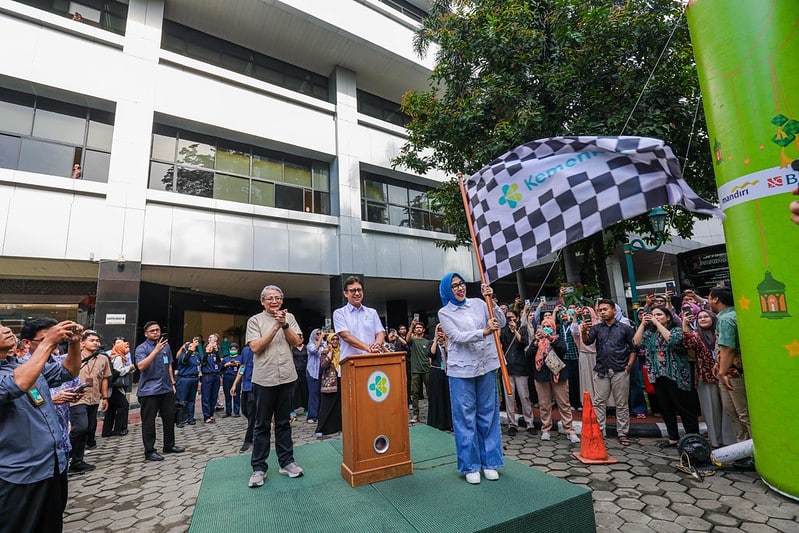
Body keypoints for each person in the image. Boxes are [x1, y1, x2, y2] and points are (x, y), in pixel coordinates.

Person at [0, 320, 82, 532]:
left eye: (3, 324)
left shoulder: (19, 365)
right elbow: (18, 384)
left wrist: (74, 343)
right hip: (19, 473)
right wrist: (48, 343)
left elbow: (69, 372)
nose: (6, 329)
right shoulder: (22, 371)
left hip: (53, 465)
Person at [437, 272, 505, 485]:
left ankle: (490, 462)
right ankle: (470, 465)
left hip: (485, 365)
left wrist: (491, 299)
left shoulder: (479, 303)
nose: (460, 288)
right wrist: (483, 332)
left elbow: (500, 321)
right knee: (465, 417)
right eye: (455, 285)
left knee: (488, 413)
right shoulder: (444, 312)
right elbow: (456, 336)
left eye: (462, 284)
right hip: (461, 370)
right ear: (448, 290)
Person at [245, 285, 304, 488]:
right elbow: (256, 347)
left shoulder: (290, 317)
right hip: (264, 379)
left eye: (278, 298)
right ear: (262, 301)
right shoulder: (255, 320)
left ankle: (286, 462)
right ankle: (259, 468)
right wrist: (275, 326)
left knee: (283, 422)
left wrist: (285, 325)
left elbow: (297, 342)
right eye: (269, 298)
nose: (274, 301)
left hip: (287, 376)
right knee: (261, 424)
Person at [634, 306, 699, 447]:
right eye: (653, 315)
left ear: (668, 317)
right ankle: (673, 437)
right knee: (666, 407)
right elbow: (636, 343)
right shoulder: (649, 333)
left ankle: (692, 438)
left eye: (659, 315)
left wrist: (657, 324)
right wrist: (642, 324)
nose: (656, 317)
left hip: (677, 374)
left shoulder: (676, 329)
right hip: (658, 375)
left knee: (684, 407)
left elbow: (673, 341)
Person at [581, 298, 636, 446]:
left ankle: (623, 433)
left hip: (620, 369)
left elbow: (633, 348)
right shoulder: (596, 328)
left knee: (622, 403)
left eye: (605, 309)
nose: (602, 312)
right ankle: (600, 432)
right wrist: (584, 331)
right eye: (600, 310)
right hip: (601, 369)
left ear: (614, 310)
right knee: (599, 402)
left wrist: (629, 365)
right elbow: (587, 342)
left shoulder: (625, 328)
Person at [681, 308, 735, 448]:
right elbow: (687, 343)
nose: (703, 319)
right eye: (700, 317)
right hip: (705, 377)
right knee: (711, 410)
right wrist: (685, 324)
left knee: (728, 409)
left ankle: (730, 440)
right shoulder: (696, 335)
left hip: (725, 375)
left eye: (706, 316)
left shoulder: (721, 332)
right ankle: (715, 441)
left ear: (713, 318)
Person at [135, 321, 184, 461]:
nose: (156, 333)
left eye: (157, 330)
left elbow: (168, 364)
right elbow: (141, 366)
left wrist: (172, 382)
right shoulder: (142, 348)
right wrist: (155, 350)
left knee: (169, 418)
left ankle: (169, 445)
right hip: (149, 391)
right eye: (152, 331)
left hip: (166, 388)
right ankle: (149, 451)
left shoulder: (165, 346)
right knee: (149, 422)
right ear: (146, 333)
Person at [709, 285, 751, 442]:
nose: (708, 301)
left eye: (709, 298)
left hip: (733, 374)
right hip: (728, 372)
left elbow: (728, 349)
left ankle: (756, 451)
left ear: (716, 299)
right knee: (733, 412)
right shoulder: (730, 316)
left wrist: (722, 372)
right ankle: (744, 449)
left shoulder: (726, 319)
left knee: (743, 414)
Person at [531, 318, 580, 443]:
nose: (546, 327)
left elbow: (563, 350)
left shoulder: (558, 338)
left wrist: (550, 339)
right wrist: (536, 342)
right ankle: (546, 429)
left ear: (553, 327)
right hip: (542, 376)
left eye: (549, 325)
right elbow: (528, 356)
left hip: (559, 375)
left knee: (564, 403)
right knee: (544, 404)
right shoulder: (536, 341)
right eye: (544, 325)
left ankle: (569, 430)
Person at [68, 330, 111, 473]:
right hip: (77, 398)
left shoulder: (103, 359)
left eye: (97, 340)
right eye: (92, 340)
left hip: (94, 398)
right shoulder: (74, 356)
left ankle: (77, 461)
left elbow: (104, 378)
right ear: (82, 343)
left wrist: (105, 397)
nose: (96, 343)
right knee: (80, 427)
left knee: (88, 429)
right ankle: (65, 453)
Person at [333, 276, 386, 361]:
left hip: (372, 360)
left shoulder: (372, 312)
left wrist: (377, 345)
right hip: (350, 363)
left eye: (359, 290)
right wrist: (367, 348)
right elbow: (346, 336)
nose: (357, 293)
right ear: (345, 293)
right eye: (353, 290)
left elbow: (380, 332)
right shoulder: (339, 313)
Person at [499, 310, 534, 437]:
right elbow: (498, 343)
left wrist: (515, 331)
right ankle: (512, 424)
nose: (510, 321)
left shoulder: (522, 329)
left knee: (524, 396)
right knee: (509, 398)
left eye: (512, 318)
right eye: (508, 318)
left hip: (521, 368)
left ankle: (529, 423)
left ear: (517, 318)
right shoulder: (503, 331)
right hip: (507, 369)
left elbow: (524, 342)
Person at [102, 337, 133, 437]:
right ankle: (118, 429)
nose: (127, 349)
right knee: (123, 405)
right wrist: (129, 368)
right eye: (125, 347)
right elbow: (118, 371)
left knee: (111, 409)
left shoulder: (118, 356)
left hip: (114, 386)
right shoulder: (119, 357)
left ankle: (107, 431)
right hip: (115, 386)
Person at [315, 332, 342, 438]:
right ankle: (321, 429)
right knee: (326, 406)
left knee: (338, 405)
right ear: (329, 341)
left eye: (337, 339)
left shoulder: (342, 351)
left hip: (340, 381)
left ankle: (336, 427)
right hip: (329, 383)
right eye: (333, 339)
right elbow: (323, 365)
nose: (335, 341)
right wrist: (330, 353)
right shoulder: (325, 351)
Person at [427, 324, 452, 431]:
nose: (440, 333)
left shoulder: (448, 342)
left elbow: (449, 352)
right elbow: (431, 354)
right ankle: (438, 423)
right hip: (436, 371)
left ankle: (449, 422)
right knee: (437, 397)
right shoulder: (431, 343)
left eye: (443, 331)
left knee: (448, 396)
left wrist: (446, 340)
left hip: (447, 371)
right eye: (439, 331)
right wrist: (436, 340)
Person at [230, 344, 255, 452]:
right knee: (244, 410)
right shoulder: (245, 350)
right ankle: (256, 428)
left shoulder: (261, 348)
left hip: (255, 386)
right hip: (245, 386)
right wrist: (235, 384)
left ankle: (248, 440)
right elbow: (242, 367)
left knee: (252, 414)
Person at [406, 320, 431, 424]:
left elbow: (430, 355)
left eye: (420, 327)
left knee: (430, 392)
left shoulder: (427, 342)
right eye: (417, 328)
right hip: (415, 370)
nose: (418, 329)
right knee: (415, 393)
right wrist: (411, 327)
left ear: (423, 330)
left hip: (426, 369)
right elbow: (407, 340)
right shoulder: (413, 340)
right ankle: (416, 415)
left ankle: (432, 413)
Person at [175, 337, 202, 426]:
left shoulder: (197, 355)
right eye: (190, 346)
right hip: (184, 379)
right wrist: (190, 350)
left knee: (191, 400)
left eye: (193, 346)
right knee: (182, 400)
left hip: (194, 379)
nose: (192, 347)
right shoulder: (183, 355)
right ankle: (180, 419)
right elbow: (185, 360)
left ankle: (190, 418)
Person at [200, 333, 222, 423]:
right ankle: (206, 416)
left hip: (216, 376)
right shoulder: (204, 354)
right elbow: (203, 363)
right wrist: (206, 352)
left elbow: (219, 361)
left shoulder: (216, 352)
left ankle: (211, 414)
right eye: (210, 339)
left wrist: (216, 351)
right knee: (206, 397)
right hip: (207, 376)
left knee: (214, 396)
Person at [305, 328, 323, 425]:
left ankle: (320, 415)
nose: (319, 335)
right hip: (313, 373)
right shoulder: (310, 344)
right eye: (317, 334)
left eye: (320, 333)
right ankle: (312, 416)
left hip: (322, 372)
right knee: (313, 393)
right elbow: (314, 350)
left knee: (322, 394)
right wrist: (321, 339)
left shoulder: (324, 344)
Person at [222, 342, 242, 418]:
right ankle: (228, 411)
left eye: (234, 349)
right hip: (227, 377)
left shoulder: (240, 357)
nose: (233, 350)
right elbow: (221, 369)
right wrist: (226, 365)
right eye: (231, 349)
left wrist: (238, 364)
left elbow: (243, 367)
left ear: (237, 350)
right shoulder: (226, 358)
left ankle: (236, 412)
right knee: (227, 395)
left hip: (236, 377)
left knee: (236, 394)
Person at [290, 335, 308, 418]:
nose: (299, 340)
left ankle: (306, 408)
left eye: (301, 338)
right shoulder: (292, 348)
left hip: (304, 371)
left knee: (305, 390)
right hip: (295, 371)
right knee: (293, 391)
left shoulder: (306, 348)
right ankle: (291, 410)